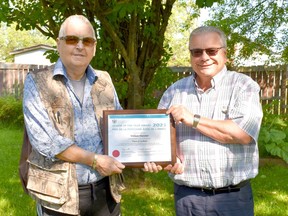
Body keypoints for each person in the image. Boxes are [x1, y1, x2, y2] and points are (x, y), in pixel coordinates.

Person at [143, 26, 263, 216]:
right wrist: (167, 161)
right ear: (191, 55)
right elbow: (158, 141)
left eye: (211, 51)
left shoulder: (243, 85)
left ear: (225, 53)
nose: (204, 57)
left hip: (233, 200)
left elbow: (242, 134)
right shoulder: (174, 92)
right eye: (197, 52)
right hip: (188, 199)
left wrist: (193, 119)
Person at [21, 15, 125, 216]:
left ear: (94, 48)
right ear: (59, 45)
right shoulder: (38, 81)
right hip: (58, 197)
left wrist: (145, 155)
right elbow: (47, 142)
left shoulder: (104, 80)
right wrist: (95, 160)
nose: (80, 46)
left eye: (87, 41)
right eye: (71, 39)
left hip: (106, 192)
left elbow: (120, 128)